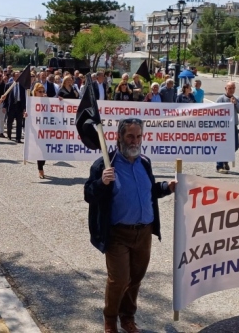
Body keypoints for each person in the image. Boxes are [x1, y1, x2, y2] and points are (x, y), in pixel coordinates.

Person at [83, 118, 176, 333]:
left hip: (144, 233)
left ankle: (127, 318)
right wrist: (102, 183)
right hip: (117, 234)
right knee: (120, 279)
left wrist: (167, 187)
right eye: (130, 136)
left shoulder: (144, 162)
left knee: (135, 279)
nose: (135, 141)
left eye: (138, 136)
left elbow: (149, 190)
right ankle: (110, 320)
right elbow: (89, 194)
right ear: (119, 137)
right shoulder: (104, 164)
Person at [215, 81, 239, 174]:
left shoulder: (237, 99)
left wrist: (236, 104)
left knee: (235, 145)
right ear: (225, 89)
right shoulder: (220, 99)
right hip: (223, 126)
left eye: (233, 88)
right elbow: (214, 112)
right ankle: (219, 166)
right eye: (230, 88)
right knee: (222, 146)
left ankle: (225, 159)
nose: (231, 90)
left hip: (233, 126)